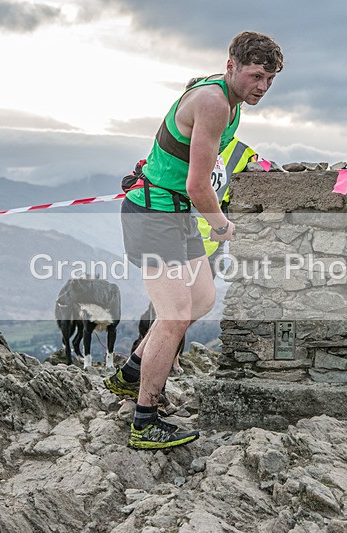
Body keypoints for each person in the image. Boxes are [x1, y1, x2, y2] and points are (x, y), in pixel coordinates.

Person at [105, 31, 283, 450]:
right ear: (231, 66)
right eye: (256, 75)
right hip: (154, 215)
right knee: (174, 315)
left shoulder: (228, 102)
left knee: (200, 298)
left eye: (270, 80)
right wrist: (222, 226)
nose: (262, 86)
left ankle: (132, 373)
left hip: (175, 214)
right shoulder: (214, 102)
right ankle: (145, 420)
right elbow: (198, 185)